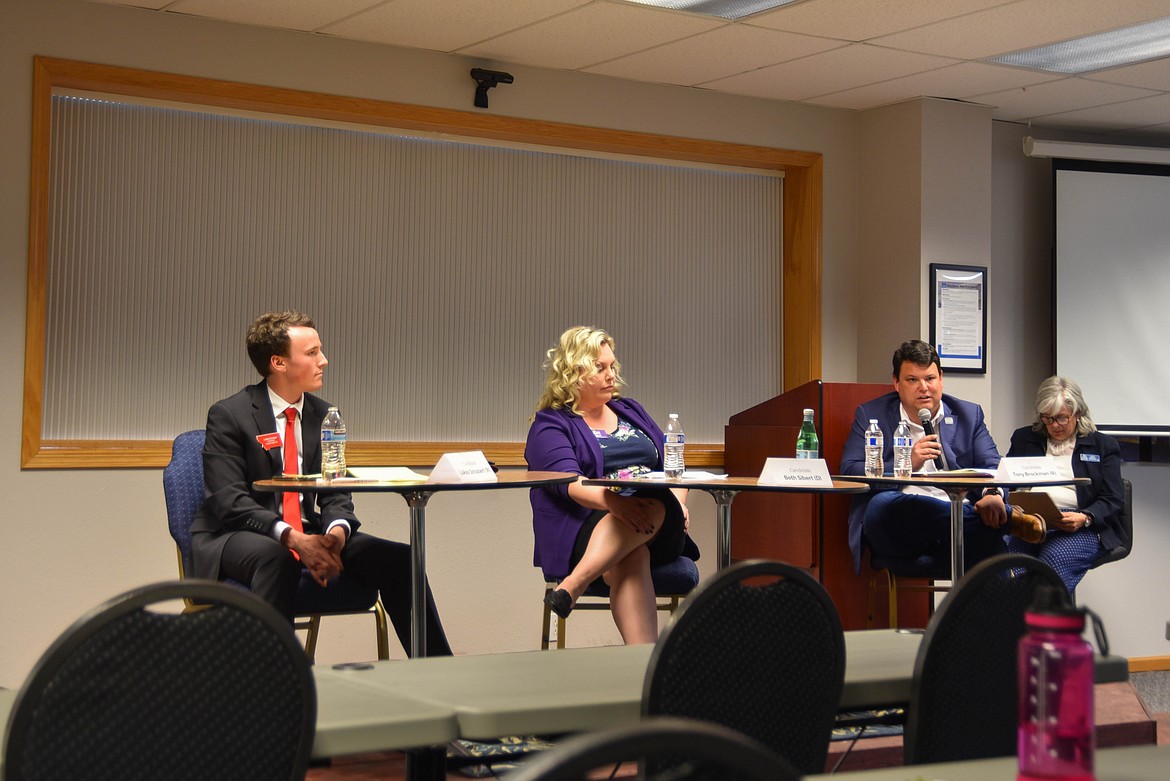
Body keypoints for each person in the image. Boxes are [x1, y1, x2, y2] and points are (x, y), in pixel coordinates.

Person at [190, 310, 452, 657]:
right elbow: (228, 500)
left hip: (309, 529)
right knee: (275, 557)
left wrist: (334, 536)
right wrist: (294, 538)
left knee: (399, 559)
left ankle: (437, 671)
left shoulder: (325, 415)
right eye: (312, 353)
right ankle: (280, 687)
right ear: (278, 362)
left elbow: (337, 491)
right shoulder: (230, 414)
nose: (323, 361)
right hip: (235, 535)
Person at [524, 326, 698, 645]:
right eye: (600, 368)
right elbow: (570, 484)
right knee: (632, 556)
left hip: (660, 522)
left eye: (613, 366)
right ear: (573, 373)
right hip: (587, 528)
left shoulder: (630, 411)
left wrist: (680, 502)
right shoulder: (550, 424)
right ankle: (645, 667)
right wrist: (614, 502)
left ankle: (572, 587)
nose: (611, 375)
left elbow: (673, 467)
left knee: (653, 504)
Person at [840, 339, 1044, 574]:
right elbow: (849, 470)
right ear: (896, 383)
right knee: (882, 505)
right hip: (901, 529)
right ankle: (1007, 521)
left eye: (930, 378)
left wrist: (992, 494)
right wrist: (907, 463)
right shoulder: (871, 414)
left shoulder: (968, 414)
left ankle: (1003, 608)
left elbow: (992, 465)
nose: (923, 387)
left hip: (959, 533)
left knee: (989, 540)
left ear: (941, 378)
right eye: (912, 380)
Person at [1005, 376, 1126, 593]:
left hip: (1079, 525)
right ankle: (1016, 623)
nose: (1054, 426)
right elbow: (1007, 482)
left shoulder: (1102, 445)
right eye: (1047, 419)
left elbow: (1113, 497)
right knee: (1005, 561)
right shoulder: (1024, 439)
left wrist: (1086, 517)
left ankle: (1039, 623)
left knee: (1053, 560)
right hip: (1028, 522)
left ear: (1077, 413)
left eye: (1061, 418)